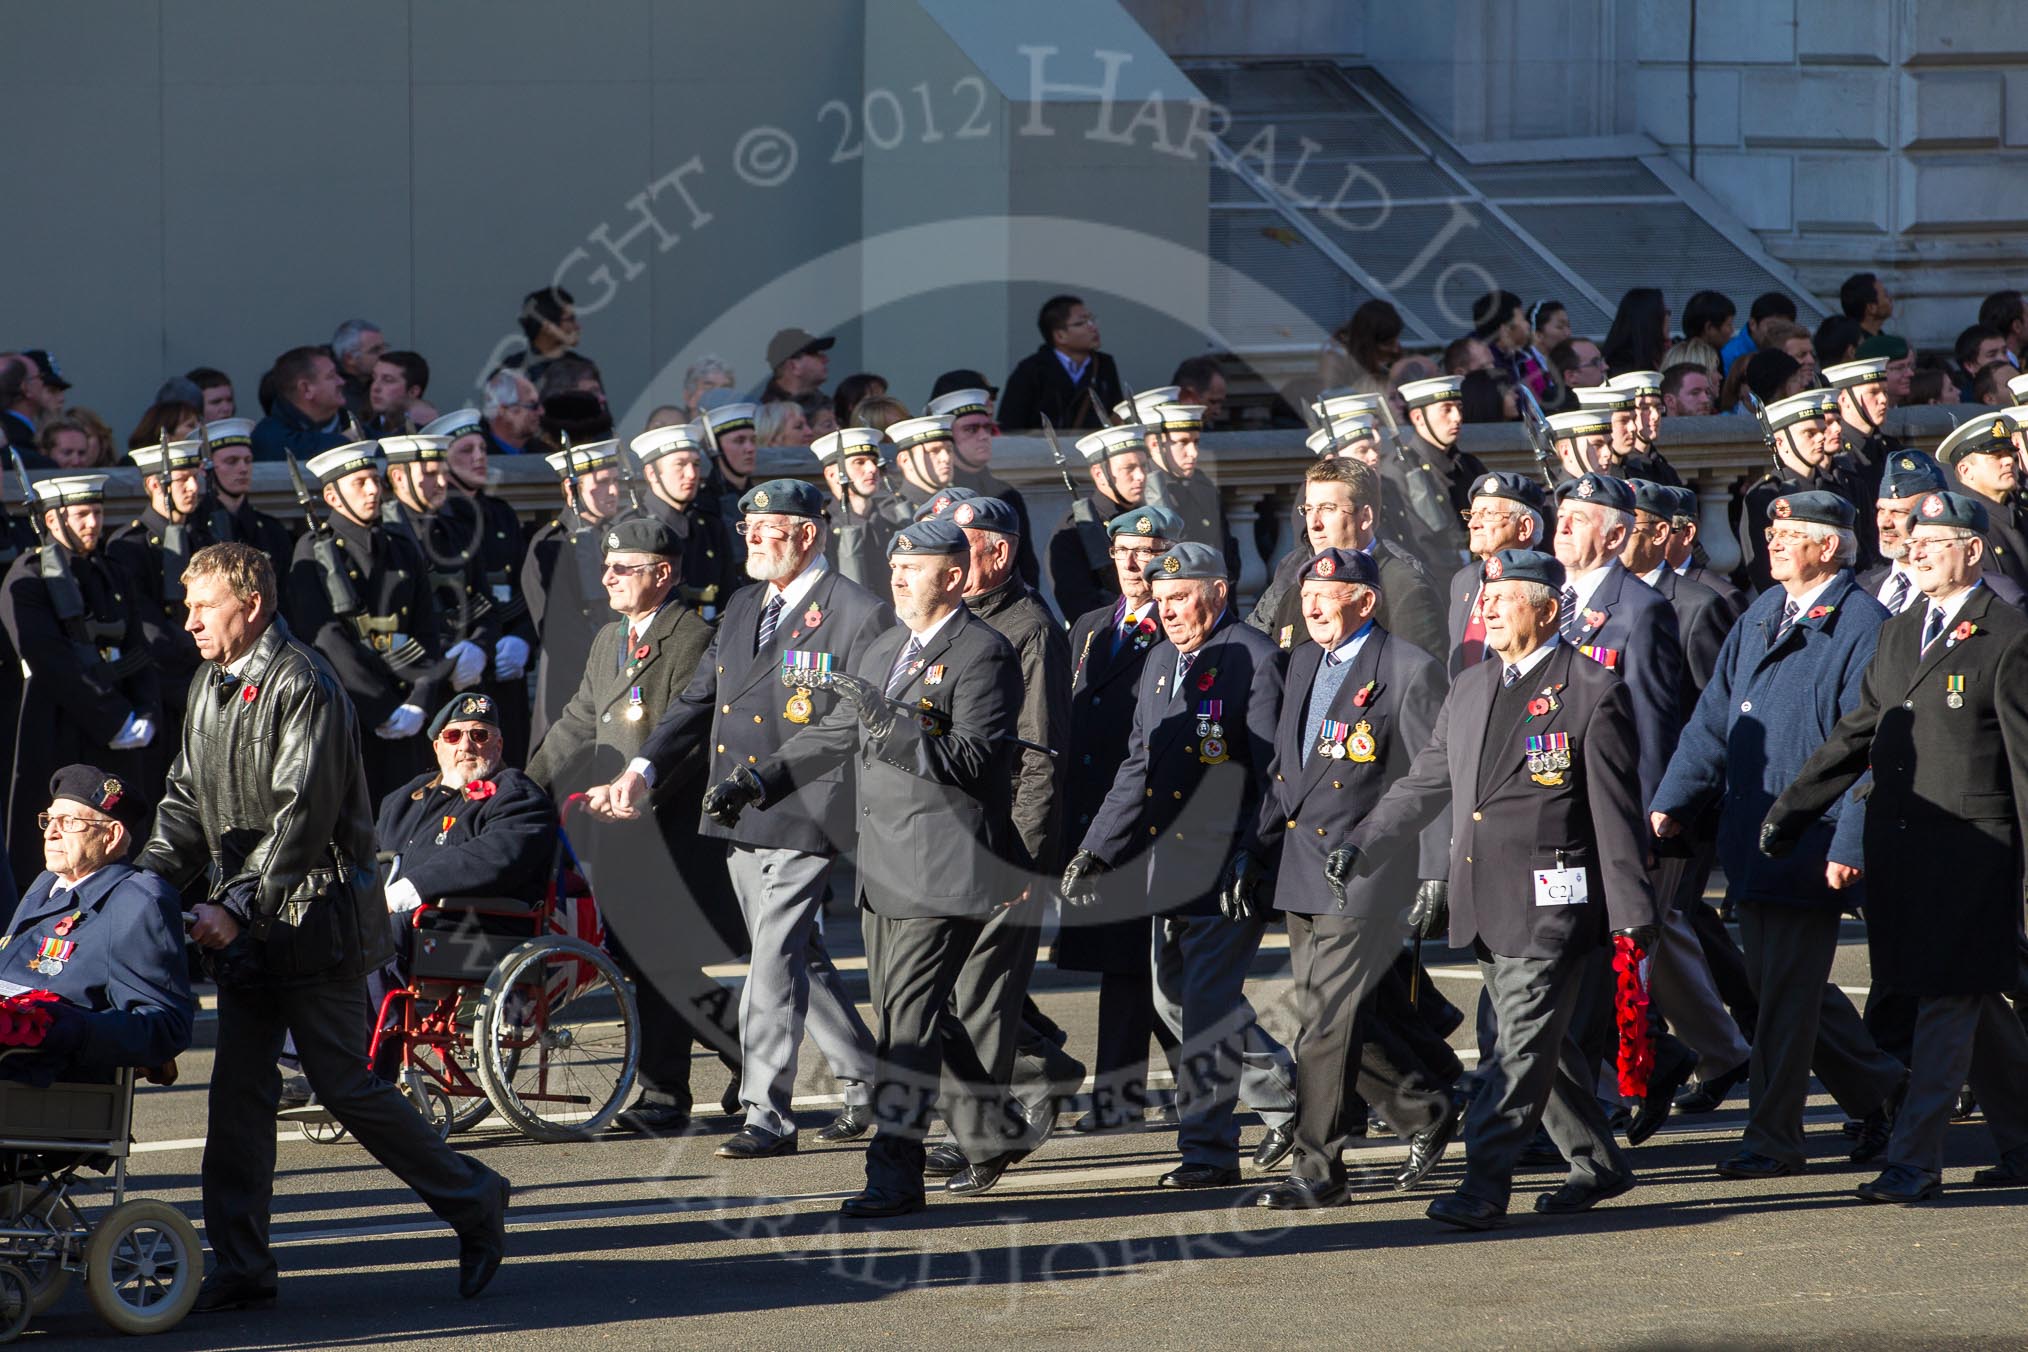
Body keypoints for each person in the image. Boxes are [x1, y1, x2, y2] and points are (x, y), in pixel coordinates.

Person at [138, 542, 506, 1308]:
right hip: (249, 923)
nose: (190, 621)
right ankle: (242, 1267)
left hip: (314, 920)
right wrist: (140, 886)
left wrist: (235, 907)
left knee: (344, 1086)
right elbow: (183, 801)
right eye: (188, 606)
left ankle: (475, 1200)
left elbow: (301, 817)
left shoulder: (304, 682)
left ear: (253, 604)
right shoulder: (212, 682)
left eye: (203, 606)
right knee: (238, 1097)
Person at [703, 518, 1025, 1217]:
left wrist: (890, 725)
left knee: (905, 1024)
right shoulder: (886, 647)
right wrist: (757, 782)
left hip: (943, 867)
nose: (900, 577)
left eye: (916, 566)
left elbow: (974, 759)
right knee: (921, 1014)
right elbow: (832, 731)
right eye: (896, 565)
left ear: (955, 576)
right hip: (882, 864)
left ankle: (894, 1174)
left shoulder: (983, 653)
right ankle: (995, 1125)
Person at [1340, 548, 1654, 1231]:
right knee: (1548, 1048)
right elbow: (1427, 780)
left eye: (1505, 596)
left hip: (1552, 904)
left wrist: (1633, 912)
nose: (1488, 605)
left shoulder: (1593, 691)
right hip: (1484, 896)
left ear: (1546, 609)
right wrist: (1365, 840)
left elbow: (1614, 812)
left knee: (1514, 1046)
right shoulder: (1473, 685)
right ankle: (1599, 1164)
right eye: (1486, 594)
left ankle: (1485, 1183)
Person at [594, 482, 886, 1152]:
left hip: (806, 808)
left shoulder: (855, 612)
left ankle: (766, 1114)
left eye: (764, 529)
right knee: (795, 956)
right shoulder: (744, 603)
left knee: (773, 964)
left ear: (806, 534)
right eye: (747, 527)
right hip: (737, 807)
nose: (748, 539)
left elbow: (849, 723)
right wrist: (642, 769)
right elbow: (698, 703)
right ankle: (870, 1080)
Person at [1762, 490, 2028, 1202]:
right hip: (1906, 856)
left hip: (1976, 859)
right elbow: (1859, 732)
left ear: (1972, 551)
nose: (1916, 551)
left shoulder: (2008, 635)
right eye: (1915, 540)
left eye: (1935, 542)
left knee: (1946, 1006)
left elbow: (2026, 767)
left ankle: (1915, 1160)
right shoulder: (1904, 627)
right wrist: (1794, 807)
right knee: (1976, 1005)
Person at [1650, 491, 1906, 1178]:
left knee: (1784, 1001)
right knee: (1781, 987)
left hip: (1810, 840)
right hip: (1754, 837)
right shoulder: (1765, 610)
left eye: (1792, 532)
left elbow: (1872, 752)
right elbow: (1713, 719)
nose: (1775, 540)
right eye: (1773, 529)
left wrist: (1850, 844)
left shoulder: (1861, 625)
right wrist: (1672, 799)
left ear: (1831, 546)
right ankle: (1886, 1089)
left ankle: (1773, 1140)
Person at [1064, 542, 1298, 1189]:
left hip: (1228, 865)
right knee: (1173, 1003)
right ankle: (1292, 1096)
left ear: (1219, 593)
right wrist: (1096, 848)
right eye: (1160, 600)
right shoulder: (1162, 659)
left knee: (1202, 1006)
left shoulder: (1252, 658)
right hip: (1164, 864)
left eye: (1181, 598)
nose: (1167, 611)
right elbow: (1137, 764)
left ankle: (1209, 1150)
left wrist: (1255, 851)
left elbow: (1273, 771)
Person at [1250, 548, 1460, 1209]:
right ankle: (1424, 1109)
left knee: (1324, 1025)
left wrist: (1434, 873)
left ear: (1365, 601)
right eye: (1308, 591)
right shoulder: (1306, 661)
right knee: (1334, 1019)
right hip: (1303, 867)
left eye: (1328, 592)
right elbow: (1286, 768)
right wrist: (1250, 850)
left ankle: (1318, 1171)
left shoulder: (1408, 669)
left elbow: (1434, 781)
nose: (1311, 603)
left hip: (1367, 872)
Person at [526, 515, 743, 1136]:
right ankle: (746, 1054)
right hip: (618, 828)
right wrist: (519, 788)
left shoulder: (691, 639)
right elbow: (575, 723)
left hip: (668, 826)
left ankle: (665, 1092)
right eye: (607, 568)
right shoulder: (609, 640)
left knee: (660, 960)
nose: (609, 578)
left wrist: (640, 795)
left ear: (663, 574)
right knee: (648, 960)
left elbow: (690, 734)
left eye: (624, 569)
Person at [919, 495, 1080, 1192]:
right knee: (954, 988)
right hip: (945, 839)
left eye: (961, 546)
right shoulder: (952, 621)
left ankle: (984, 1137)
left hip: (1002, 843)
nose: (947, 562)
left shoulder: (1029, 629)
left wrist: (1022, 854)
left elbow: (1039, 754)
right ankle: (1044, 1071)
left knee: (979, 991)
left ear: (998, 552)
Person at [1054, 505, 1183, 1133]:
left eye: (1149, 549)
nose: (1135, 563)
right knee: (1125, 962)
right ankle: (1140, 1091)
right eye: (1124, 550)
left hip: (1152, 815)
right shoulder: (1091, 624)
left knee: (1147, 965)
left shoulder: (1181, 621)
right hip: (1098, 811)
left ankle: (1127, 1094)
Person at [1, 475, 161, 893]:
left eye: (98, 512)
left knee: (118, 834)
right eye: (82, 514)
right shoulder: (30, 576)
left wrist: (143, 713)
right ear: (52, 520)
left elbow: (138, 648)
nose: (93, 522)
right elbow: (50, 662)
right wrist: (114, 721)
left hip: (120, 728)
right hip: (61, 729)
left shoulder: (111, 572)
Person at [0, 764, 193, 1084]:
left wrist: (67, 1026)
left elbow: (166, 1027)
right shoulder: (47, 883)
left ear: (111, 835)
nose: (51, 832)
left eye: (69, 822)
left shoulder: (137, 902)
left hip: (48, 1086)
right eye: (49, 820)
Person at [286, 442, 446, 807]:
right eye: (360, 483)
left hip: (409, 707)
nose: (374, 490)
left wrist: (420, 699)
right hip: (352, 711)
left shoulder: (401, 548)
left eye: (375, 480)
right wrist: (381, 707)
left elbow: (427, 629)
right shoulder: (314, 551)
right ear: (332, 495)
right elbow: (325, 637)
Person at [1249, 457, 1446, 663]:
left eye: (1327, 508)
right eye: (1308, 509)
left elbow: (1420, 681)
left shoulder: (1406, 589)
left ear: (1365, 517)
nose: (1314, 524)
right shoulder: (1294, 574)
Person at [425, 409, 534, 764]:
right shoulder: (438, 519)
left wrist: (522, 638)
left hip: (506, 661)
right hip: (463, 664)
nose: (478, 458)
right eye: (466, 451)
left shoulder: (500, 513)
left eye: (483, 449)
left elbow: (525, 586)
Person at [108, 437, 217, 736]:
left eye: (196, 477)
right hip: (163, 686)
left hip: (206, 675)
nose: (193, 488)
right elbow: (147, 625)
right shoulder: (128, 546)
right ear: (155, 485)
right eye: (183, 479)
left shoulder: (203, 538)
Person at [522, 439, 624, 744]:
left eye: (616, 481)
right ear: (571, 489)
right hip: (571, 684)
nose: (614, 491)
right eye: (603, 483)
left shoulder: (618, 537)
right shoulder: (551, 544)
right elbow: (555, 629)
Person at [1737, 390, 1869, 593]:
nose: (1821, 438)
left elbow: (1862, 554)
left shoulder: (1837, 487)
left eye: (1821, 430)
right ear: (1780, 443)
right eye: (1810, 433)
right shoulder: (1766, 495)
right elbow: (1763, 571)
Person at [930, 382, 1041, 588]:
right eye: (970, 429)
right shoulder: (939, 495)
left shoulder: (1006, 494)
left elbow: (1026, 568)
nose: (983, 436)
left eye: (987, 427)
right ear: (949, 437)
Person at [629, 421, 742, 620]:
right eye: (680, 464)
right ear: (651, 474)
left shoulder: (709, 525)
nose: (691, 474)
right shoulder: (633, 530)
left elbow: (729, 596)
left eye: (696, 464)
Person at [1447, 470, 1548, 674]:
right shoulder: (1463, 580)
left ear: (1524, 528)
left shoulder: (1546, 585)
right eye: (1473, 514)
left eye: (1489, 514)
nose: (1473, 524)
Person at [1048, 423, 1150, 621]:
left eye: (1143, 466)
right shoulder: (1075, 528)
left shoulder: (1151, 518)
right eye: (1129, 468)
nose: (1141, 476)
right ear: (1099, 474)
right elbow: (1080, 608)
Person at [1386, 376, 1487, 575]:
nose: (1457, 417)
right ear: (1418, 418)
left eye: (1459, 408)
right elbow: (1415, 540)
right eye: (1447, 409)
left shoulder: (1470, 465)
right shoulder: (1398, 470)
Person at [1129, 394, 1235, 571]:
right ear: (1155, 444)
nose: (1193, 452)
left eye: (1196, 442)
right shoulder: (1138, 487)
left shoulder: (1202, 483)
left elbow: (1225, 544)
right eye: (1183, 442)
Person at [997, 294, 1124, 431]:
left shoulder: (1104, 364)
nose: (1093, 328)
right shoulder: (1031, 370)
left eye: (1092, 320)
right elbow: (1010, 427)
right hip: (1041, 451)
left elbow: (1117, 414)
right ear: (1060, 335)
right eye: (1081, 323)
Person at [1935, 412, 2028, 594]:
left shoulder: (2021, 511)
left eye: (2009, 454)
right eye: (1996, 456)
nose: (2009, 461)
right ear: (1966, 470)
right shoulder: (1959, 527)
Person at [201, 419, 296, 591]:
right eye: (231, 461)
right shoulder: (195, 529)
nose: (243, 468)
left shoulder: (271, 530)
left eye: (248, 460)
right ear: (205, 469)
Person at [1857, 451, 1950, 615]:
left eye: (1899, 512)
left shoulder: (1953, 588)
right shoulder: (1861, 587)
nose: (1885, 523)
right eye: (1881, 510)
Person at [249, 346, 350, 463]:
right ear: (306, 389)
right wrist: (346, 441)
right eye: (331, 376)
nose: (341, 382)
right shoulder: (268, 437)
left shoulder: (351, 423)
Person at [1319, 300, 1402, 398]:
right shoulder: (1335, 356)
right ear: (1368, 342)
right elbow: (1329, 397)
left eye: (1396, 339)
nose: (1396, 349)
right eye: (1388, 344)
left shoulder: (1388, 351)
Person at [503, 286, 581, 385]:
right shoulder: (510, 370)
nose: (577, 327)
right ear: (547, 326)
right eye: (569, 320)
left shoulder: (582, 369)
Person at [883, 413, 959, 515]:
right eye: (934, 451)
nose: (946, 458)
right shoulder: (892, 514)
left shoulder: (961, 501)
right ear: (905, 460)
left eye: (949, 450)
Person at [1720, 292, 1796, 375]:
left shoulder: (1793, 351)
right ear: (1753, 324)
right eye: (1772, 326)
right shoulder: (1729, 355)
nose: (1778, 332)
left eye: (1785, 328)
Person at [755, 328, 834, 405]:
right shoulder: (768, 415)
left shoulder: (825, 405)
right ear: (794, 366)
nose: (826, 359)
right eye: (815, 353)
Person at [366, 350, 438, 435]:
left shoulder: (434, 434)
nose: (375, 387)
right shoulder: (360, 432)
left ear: (412, 392)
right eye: (374, 378)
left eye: (388, 380)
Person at [479, 370, 542, 457]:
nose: (541, 411)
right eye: (532, 405)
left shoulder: (543, 453)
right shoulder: (477, 460)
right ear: (503, 410)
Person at [1839, 272, 1896, 341]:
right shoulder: (1857, 347)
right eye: (1885, 295)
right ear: (1871, 308)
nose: (1890, 299)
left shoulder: (1881, 338)